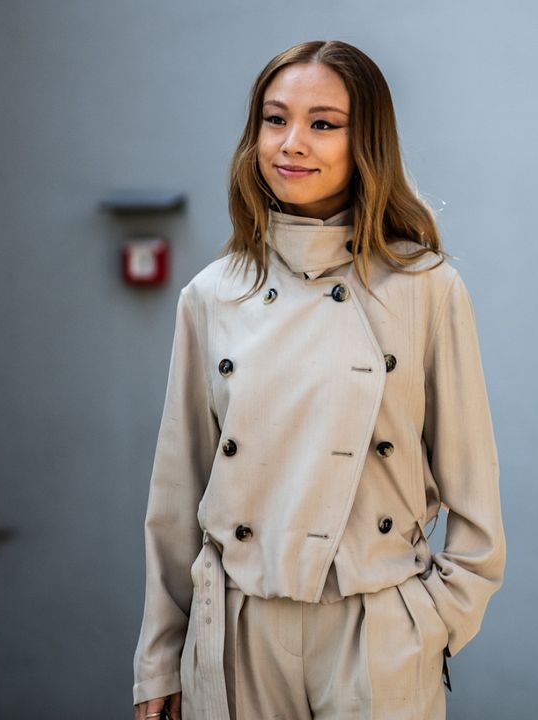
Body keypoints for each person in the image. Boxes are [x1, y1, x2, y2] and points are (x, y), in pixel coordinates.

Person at [131, 39, 506, 720]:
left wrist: (429, 626)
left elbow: (475, 499)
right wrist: (160, 658)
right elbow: (176, 494)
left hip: (375, 632)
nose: (292, 143)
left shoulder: (427, 289)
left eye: (323, 124)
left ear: (367, 142)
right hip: (239, 636)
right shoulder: (212, 296)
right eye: (275, 120)